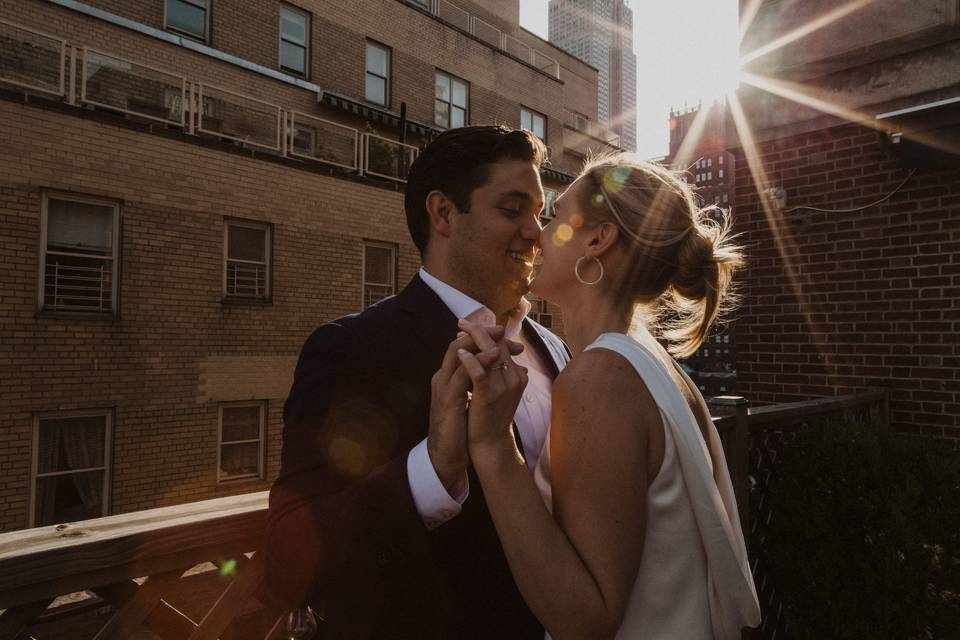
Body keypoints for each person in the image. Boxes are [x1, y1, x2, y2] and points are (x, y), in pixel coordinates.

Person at [435, 155, 762, 639]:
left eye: (555, 217)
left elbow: (586, 619)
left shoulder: (600, 380)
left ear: (596, 239)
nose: (535, 235)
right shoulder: (652, 364)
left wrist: (491, 445)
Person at [263, 125, 569, 639]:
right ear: (444, 214)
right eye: (513, 211)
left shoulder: (552, 346)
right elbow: (287, 554)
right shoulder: (350, 349)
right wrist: (433, 469)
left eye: (539, 214)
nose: (536, 233)